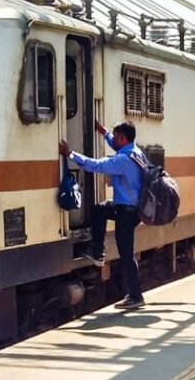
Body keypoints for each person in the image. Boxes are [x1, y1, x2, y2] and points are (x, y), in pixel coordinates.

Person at [59, 120, 145, 311]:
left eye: (116, 136)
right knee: (99, 209)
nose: (113, 140)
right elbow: (115, 144)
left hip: (126, 212)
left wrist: (71, 154)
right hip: (131, 210)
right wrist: (104, 133)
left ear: (123, 138)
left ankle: (136, 296)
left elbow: (97, 165)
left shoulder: (122, 160)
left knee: (126, 254)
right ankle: (99, 252)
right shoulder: (135, 152)